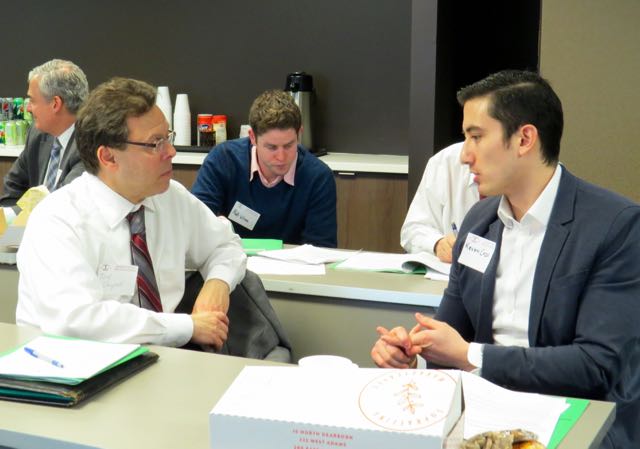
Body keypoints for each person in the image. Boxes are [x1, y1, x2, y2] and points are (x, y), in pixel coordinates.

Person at [371, 70, 640, 449]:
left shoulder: (614, 225)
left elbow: (596, 365)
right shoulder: (479, 223)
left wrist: (470, 354)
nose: (464, 155)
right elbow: (450, 335)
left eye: (476, 137)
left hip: (575, 417)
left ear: (525, 139)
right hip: (489, 413)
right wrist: (412, 352)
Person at [16, 77, 247, 350]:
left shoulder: (169, 198)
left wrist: (217, 284)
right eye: (155, 143)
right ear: (108, 157)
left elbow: (225, 246)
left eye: (168, 137)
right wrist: (187, 327)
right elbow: (77, 320)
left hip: (163, 358)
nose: (171, 151)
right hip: (73, 363)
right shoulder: (58, 219)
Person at [191, 89, 337, 248]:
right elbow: (196, 226)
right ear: (252, 137)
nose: (281, 157)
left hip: (292, 263)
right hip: (230, 260)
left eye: (289, 145)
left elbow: (320, 250)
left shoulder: (318, 177)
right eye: (271, 147)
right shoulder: (223, 160)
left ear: (299, 134)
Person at [1, 59, 88, 220]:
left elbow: (65, 206)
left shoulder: (88, 145)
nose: (28, 108)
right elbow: (13, 186)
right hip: (28, 229)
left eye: (32, 100)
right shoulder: (37, 134)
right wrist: (12, 225)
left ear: (55, 104)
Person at [400, 142, 479, 262]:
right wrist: (437, 243)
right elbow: (412, 230)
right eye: (467, 136)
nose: (464, 156)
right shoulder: (445, 162)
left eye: (477, 137)